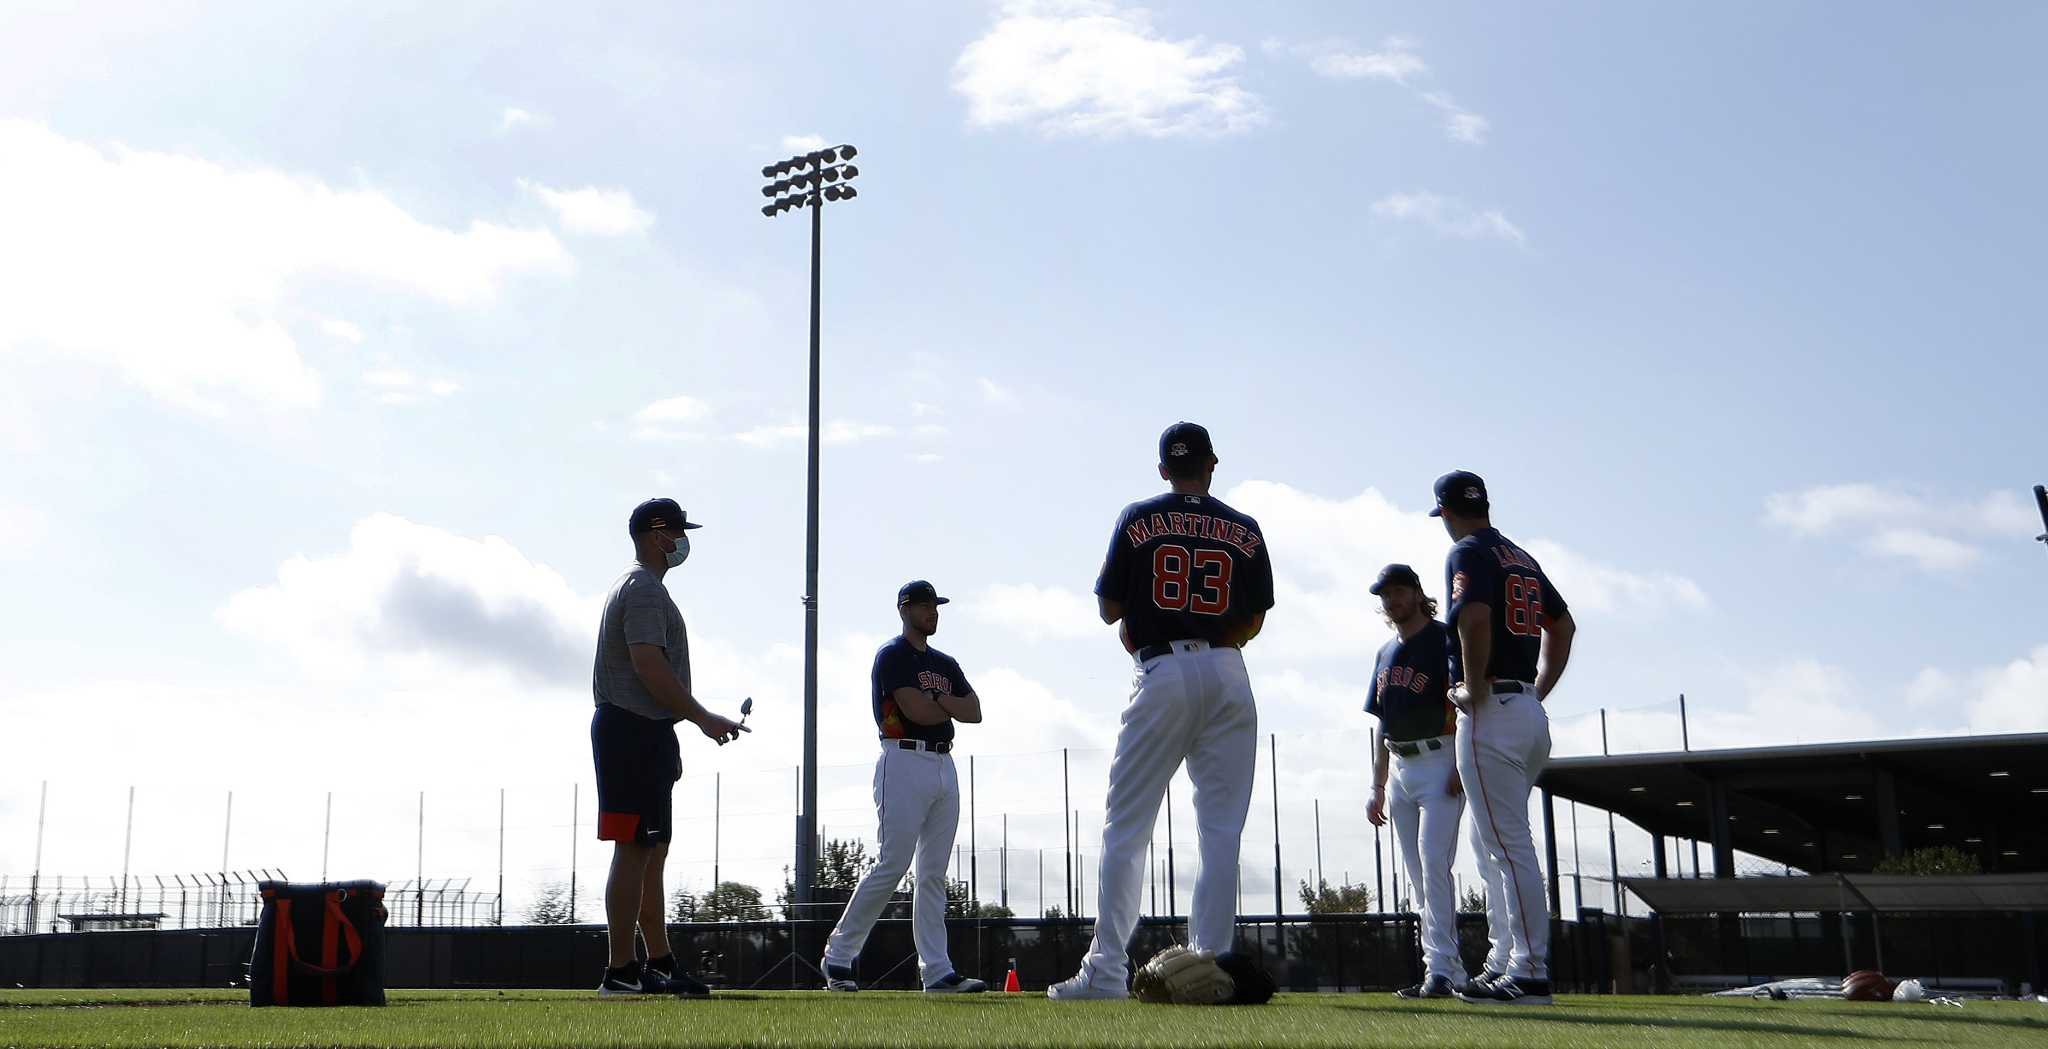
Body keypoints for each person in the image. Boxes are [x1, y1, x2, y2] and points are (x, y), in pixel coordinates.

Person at [1050, 422, 1274, 1000]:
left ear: (1162, 468)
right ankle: (1213, 970)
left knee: (1127, 826)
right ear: (1213, 463)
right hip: (1228, 671)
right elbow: (1254, 617)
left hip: (1163, 670)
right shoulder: (1244, 527)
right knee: (1221, 832)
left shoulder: (1139, 515)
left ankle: (1104, 975)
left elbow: (1109, 609)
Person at [591, 498, 749, 997]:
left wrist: (677, 726)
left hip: (647, 732)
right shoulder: (640, 589)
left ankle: (657, 963)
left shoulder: (645, 589)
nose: (684, 541)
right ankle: (620, 971)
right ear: (658, 534)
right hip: (630, 731)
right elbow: (648, 665)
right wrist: (701, 717)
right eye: (679, 531)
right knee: (634, 847)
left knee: (650, 849)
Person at [1430, 472, 1576, 1006]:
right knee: (1496, 843)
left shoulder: (1467, 551)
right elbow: (1563, 628)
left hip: (1492, 709)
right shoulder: (1522, 557)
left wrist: (1471, 686)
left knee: (1508, 846)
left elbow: (1473, 618)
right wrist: (1539, 690)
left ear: (1445, 511)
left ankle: (1530, 970)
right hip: (1527, 711)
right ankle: (1507, 961)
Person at [821, 581, 989, 994]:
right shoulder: (892, 655)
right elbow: (916, 710)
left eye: (936, 605)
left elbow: (975, 711)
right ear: (905, 608)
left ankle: (937, 972)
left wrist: (941, 700)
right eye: (925, 605)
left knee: (933, 874)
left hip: (943, 763)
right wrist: (945, 703)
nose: (933, 611)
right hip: (902, 757)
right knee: (892, 864)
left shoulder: (945, 661)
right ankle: (838, 957)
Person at [1363, 563, 1464, 999]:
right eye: (1386, 595)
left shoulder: (1446, 638)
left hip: (1441, 759)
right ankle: (1444, 969)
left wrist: (1463, 762)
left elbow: (1464, 702)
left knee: (1433, 864)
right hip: (1401, 769)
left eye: (1400, 591)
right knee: (1419, 875)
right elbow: (1382, 725)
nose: (1393, 600)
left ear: (1418, 592)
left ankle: (1441, 968)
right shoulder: (1384, 652)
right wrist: (1377, 785)